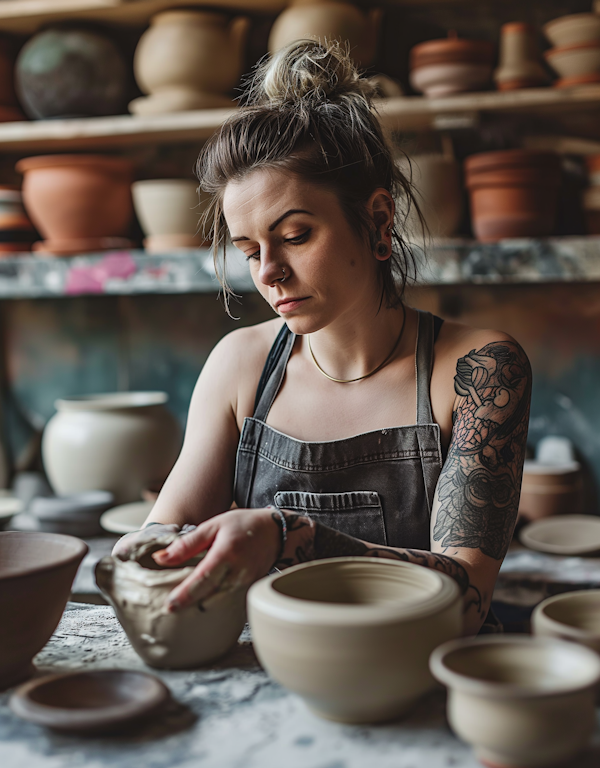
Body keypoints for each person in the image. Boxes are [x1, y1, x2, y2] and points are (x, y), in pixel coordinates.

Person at [114, 40, 531, 636]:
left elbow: (466, 597)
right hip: (274, 675)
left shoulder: (477, 368)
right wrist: (147, 551)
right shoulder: (241, 366)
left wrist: (288, 540)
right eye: (250, 251)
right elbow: (167, 528)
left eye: (296, 235)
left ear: (379, 221)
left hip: (421, 676)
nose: (269, 273)